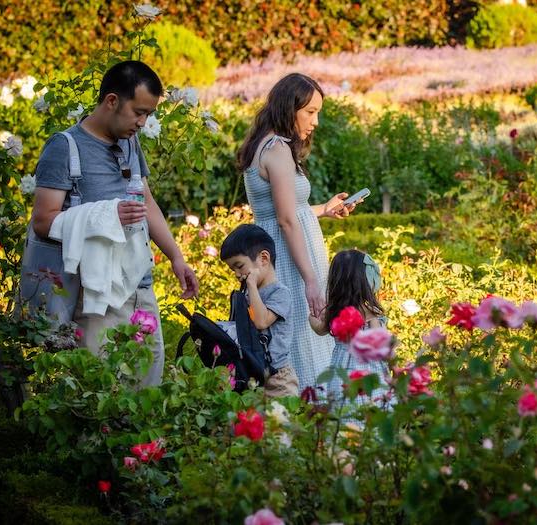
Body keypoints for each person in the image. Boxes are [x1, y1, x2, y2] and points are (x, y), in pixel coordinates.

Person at [31, 60, 199, 386]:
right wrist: (107, 217)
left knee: (145, 385)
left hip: (140, 284)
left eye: (148, 114)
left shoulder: (129, 142)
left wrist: (177, 257)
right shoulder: (64, 148)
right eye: (138, 112)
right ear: (111, 101)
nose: (142, 122)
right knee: (100, 392)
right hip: (95, 295)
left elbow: (146, 203)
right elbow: (43, 221)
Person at [237, 72, 358, 390]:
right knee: (302, 342)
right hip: (290, 261)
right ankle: (307, 414)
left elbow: (290, 211)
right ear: (289, 108)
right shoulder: (276, 149)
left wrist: (324, 210)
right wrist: (311, 280)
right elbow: (287, 221)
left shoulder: (266, 145)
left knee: (296, 340)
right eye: (310, 112)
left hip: (285, 252)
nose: (315, 121)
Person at [309, 249, 392, 414]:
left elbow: (319, 329)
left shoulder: (335, 313)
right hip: (370, 372)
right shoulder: (372, 314)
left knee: (344, 408)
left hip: (341, 371)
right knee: (373, 408)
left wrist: (311, 318)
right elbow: (383, 346)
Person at [220, 224, 299, 397]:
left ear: (264, 258)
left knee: (282, 422)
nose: (236, 273)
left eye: (239, 266)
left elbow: (261, 321)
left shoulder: (280, 293)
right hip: (254, 374)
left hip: (278, 379)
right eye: (232, 269)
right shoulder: (248, 293)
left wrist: (251, 286)